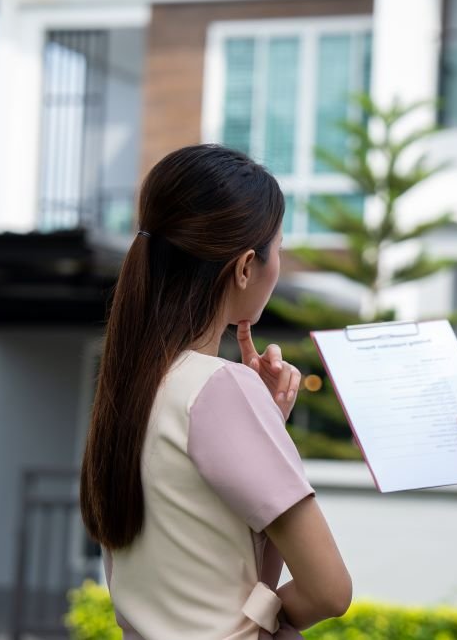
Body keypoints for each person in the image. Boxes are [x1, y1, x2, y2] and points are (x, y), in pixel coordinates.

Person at [79, 145, 351, 639]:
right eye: (279, 250)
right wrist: (264, 619)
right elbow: (329, 591)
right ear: (246, 266)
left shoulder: (134, 385)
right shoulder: (222, 385)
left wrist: (265, 423)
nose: (279, 267)